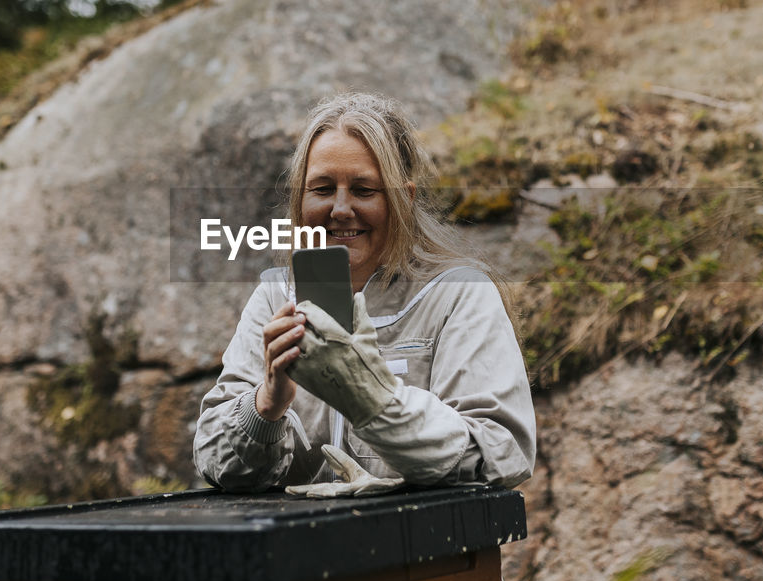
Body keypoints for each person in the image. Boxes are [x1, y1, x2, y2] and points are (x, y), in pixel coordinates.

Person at [193, 93, 536, 494]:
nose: (340, 209)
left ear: (402, 200)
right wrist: (265, 405)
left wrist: (375, 400)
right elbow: (212, 459)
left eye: (363, 190)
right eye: (322, 189)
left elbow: (499, 453)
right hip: (299, 550)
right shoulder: (275, 296)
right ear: (299, 201)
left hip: (420, 549)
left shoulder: (458, 295)